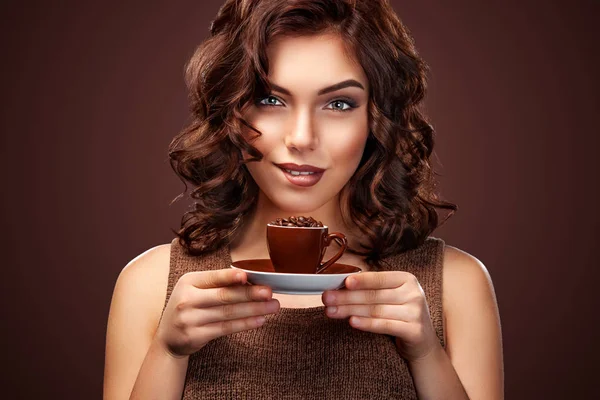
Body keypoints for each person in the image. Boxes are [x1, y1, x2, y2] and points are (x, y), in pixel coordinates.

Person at [103, 0, 504, 398]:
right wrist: (169, 354)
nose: (302, 138)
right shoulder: (152, 285)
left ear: (376, 119)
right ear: (230, 111)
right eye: (270, 100)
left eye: (338, 104)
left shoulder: (454, 284)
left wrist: (426, 354)